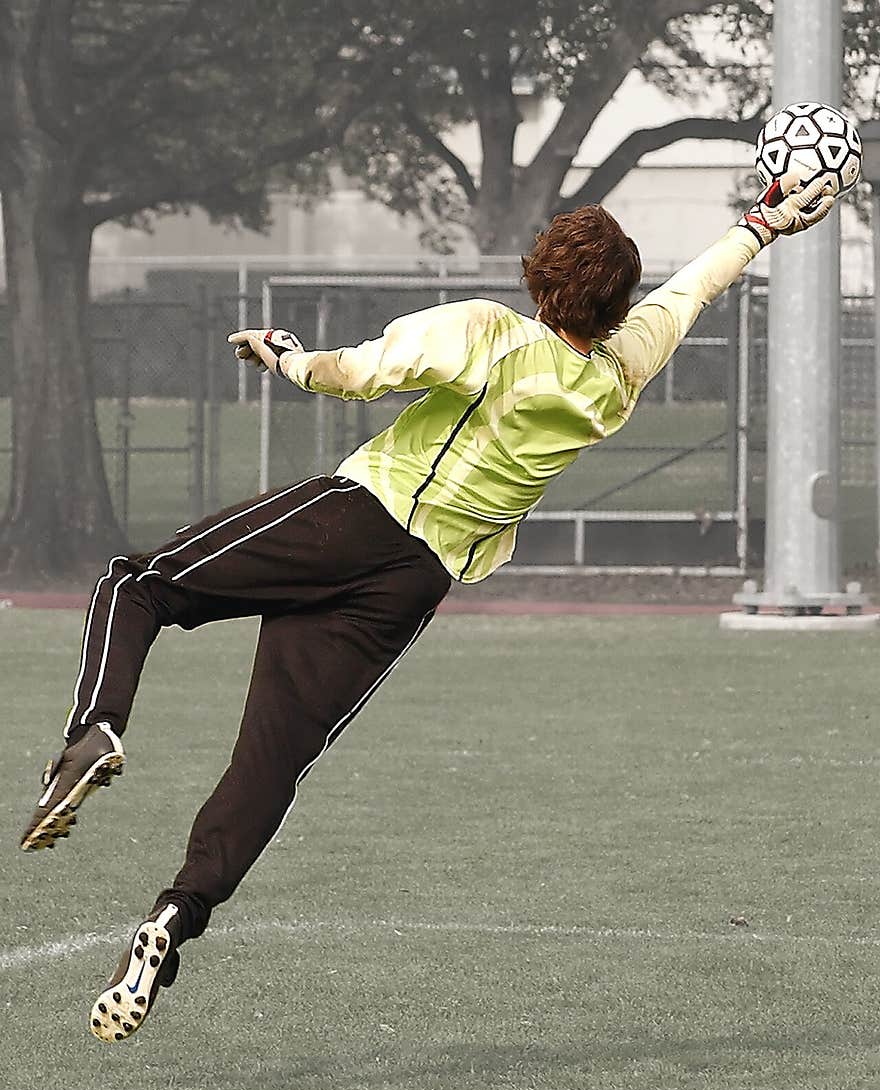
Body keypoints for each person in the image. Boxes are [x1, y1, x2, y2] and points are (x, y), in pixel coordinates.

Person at [20, 169, 834, 1042]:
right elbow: (693, 290)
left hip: (359, 519)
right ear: (613, 306)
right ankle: (173, 920)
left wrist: (284, 354)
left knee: (135, 583)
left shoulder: (492, 332)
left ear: (541, 277)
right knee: (272, 763)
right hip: (413, 586)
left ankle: (95, 728)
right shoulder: (620, 374)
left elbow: (361, 374)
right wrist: (760, 225)